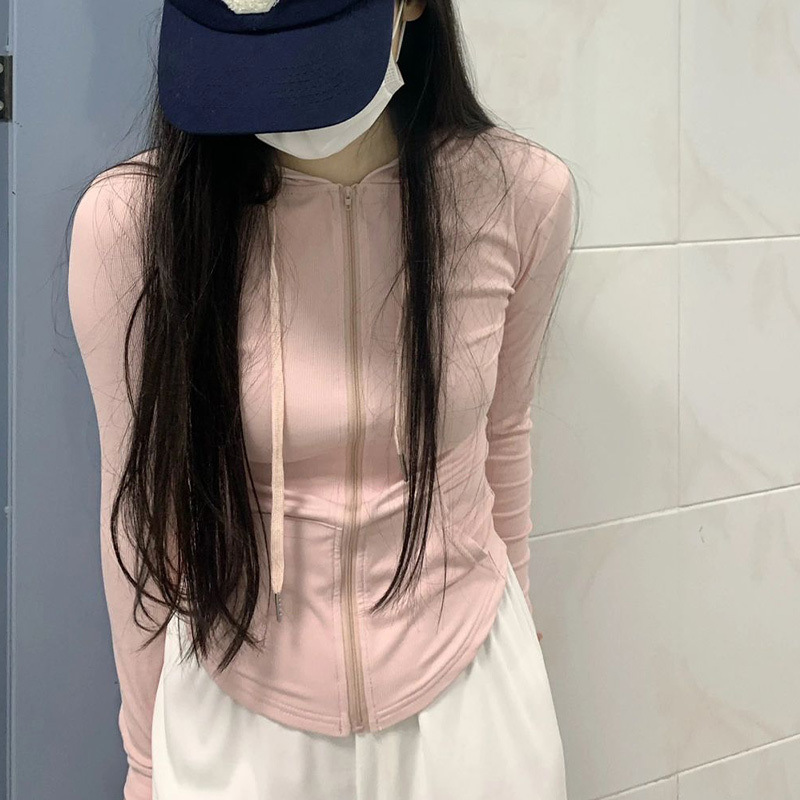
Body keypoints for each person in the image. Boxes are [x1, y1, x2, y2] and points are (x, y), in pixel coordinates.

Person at [67, 0, 577, 797]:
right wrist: (145, 765)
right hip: (238, 713)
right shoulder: (134, 224)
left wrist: (520, 630)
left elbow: (503, 433)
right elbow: (139, 510)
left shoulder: (519, 194)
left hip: (470, 697)